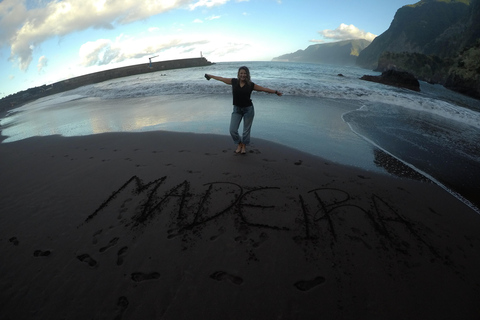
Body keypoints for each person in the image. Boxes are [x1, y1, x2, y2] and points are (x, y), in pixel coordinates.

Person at [205, 66, 283, 154]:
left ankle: (244, 146)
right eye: (241, 73)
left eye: (245, 73)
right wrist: (210, 76)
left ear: (247, 75)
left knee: (246, 131)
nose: (243, 75)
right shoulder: (233, 81)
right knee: (232, 130)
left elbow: (264, 89)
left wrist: (275, 92)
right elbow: (221, 78)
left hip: (248, 110)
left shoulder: (251, 85)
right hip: (237, 109)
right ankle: (239, 143)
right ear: (238, 74)